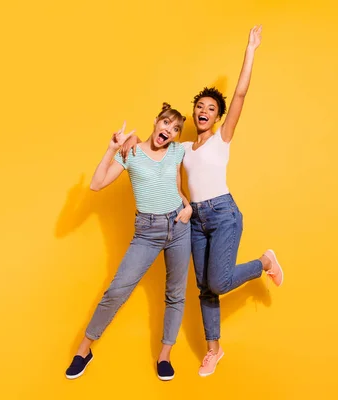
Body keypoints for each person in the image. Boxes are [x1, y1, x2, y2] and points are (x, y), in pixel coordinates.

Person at [121, 26, 284, 377]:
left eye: (211, 108)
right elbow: (169, 175)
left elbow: (239, 95)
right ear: (194, 114)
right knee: (203, 288)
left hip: (224, 213)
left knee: (218, 282)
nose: (203, 111)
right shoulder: (182, 149)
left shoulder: (222, 139)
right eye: (199, 106)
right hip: (195, 219)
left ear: (218, 116)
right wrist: (131, 144)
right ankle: (215, 350)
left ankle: (263, 263)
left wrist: (251, 50)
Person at [65, 103, 193, 382]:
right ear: (155, 122)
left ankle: (164, 356)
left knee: (176, 294)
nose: (169, 131)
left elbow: (178, 187)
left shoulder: (177, 151)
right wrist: (113, 148)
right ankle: (83, 351)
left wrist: (188, 207)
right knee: (116, 291)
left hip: (180, 226)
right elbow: (96, 184)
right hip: (147, 231)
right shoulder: (131, 152)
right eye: (166, 124)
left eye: (175, 129)